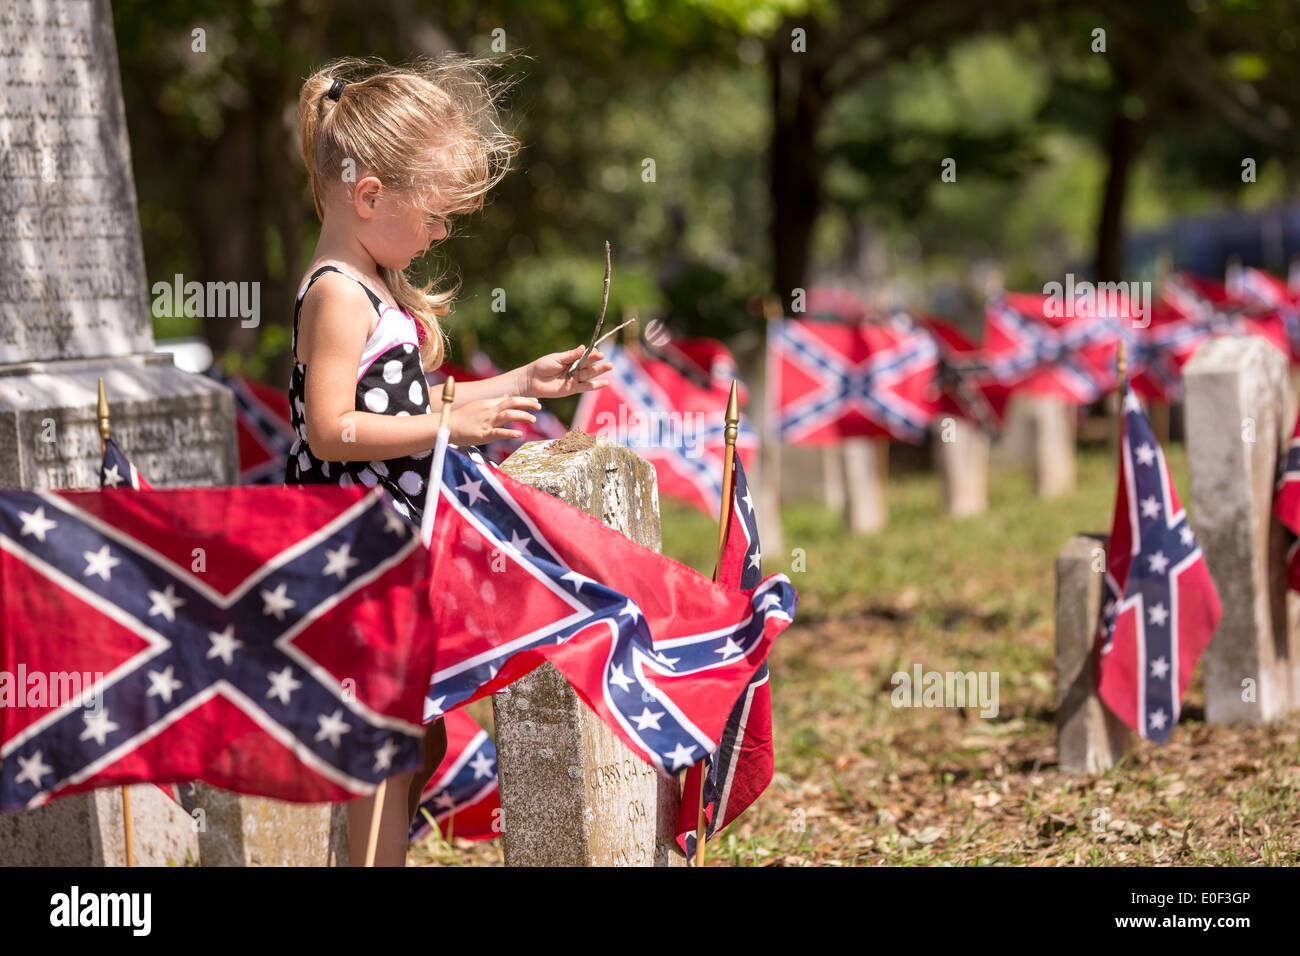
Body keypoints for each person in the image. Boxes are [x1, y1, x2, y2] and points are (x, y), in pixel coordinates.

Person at [289, 55, 611, 865]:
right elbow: (331, 430)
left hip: (398, 549)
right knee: (385, 749)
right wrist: (446, 427)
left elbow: (407, 409)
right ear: (369, 196)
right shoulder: (336, 292)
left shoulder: (374, 283)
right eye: (434, 216)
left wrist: (522, 379)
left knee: (416, 745)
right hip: (352, 555)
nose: (440, 234)